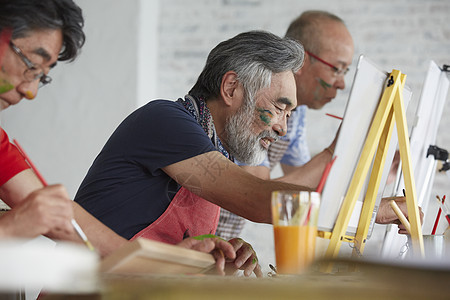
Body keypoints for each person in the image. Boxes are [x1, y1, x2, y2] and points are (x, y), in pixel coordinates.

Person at [0, 0, 250, 277]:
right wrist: (12, 228)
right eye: (31, 66)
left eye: (41, 77)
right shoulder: (164, 118)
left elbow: (59, 215)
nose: (31, 90)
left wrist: (171, 262)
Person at [74, 30, 310, 274]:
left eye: (289, 115)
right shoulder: (165, 120)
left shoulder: (217, 152)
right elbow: (255, 199)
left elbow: (171, 261)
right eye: (279, 108)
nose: (282, 128)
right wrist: (332, 205)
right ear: (231, 88)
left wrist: (219, 257)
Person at [215, 11, 419, 239]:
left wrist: (372, 179)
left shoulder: (296, 115)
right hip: (202, 241)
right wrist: (337, 149)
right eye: (336, 69)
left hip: (225, 244)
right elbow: (257, 194)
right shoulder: (256, 105)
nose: (342, 84)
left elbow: (310, 187)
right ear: (300, 59)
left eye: (345, 71)